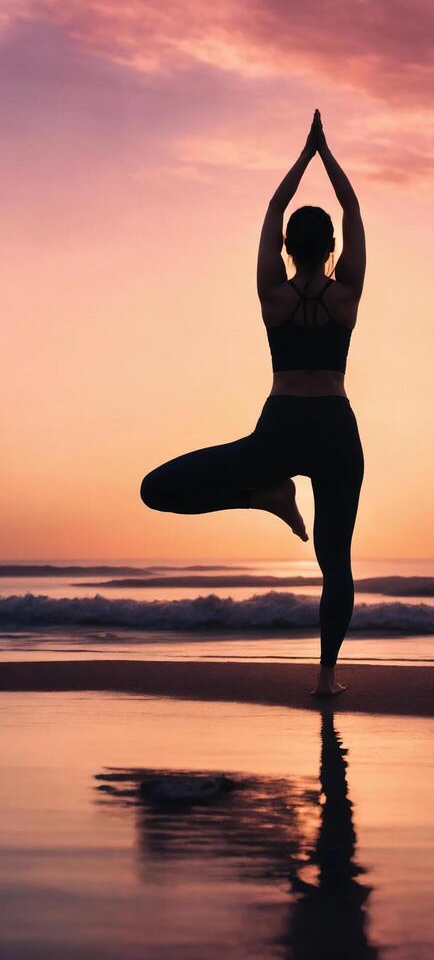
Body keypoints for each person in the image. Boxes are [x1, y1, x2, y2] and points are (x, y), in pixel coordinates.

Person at [140, 110, 366, 698]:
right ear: (333, 248)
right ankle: (326, 679)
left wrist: (303, 156)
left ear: (288, 248)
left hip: (282, 427)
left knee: (155, 489)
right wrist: (327, 154)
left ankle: (261, 495)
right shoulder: (345, 295)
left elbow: (271, 213)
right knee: (334, 561)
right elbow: (354, 210)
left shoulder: (273, 294)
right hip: (336, 429)